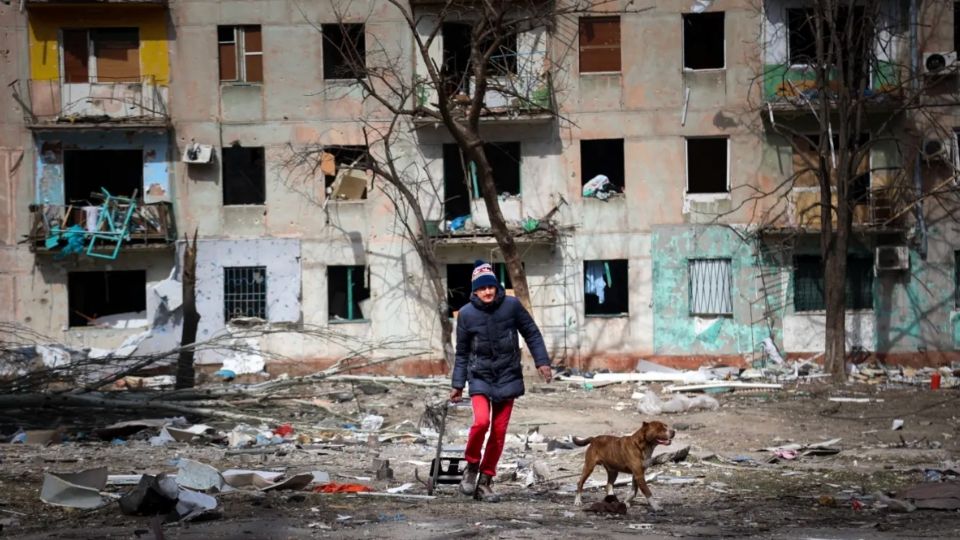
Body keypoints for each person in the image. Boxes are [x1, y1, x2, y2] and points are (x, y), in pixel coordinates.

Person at [449, 260, 552, 502]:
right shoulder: (465, 314)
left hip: (507, 375)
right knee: (481, 422)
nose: (487, 292)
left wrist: (542, 362)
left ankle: (485, 481)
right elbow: (462, 353)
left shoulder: (512, 306)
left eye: (490, 287)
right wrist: (457, 385)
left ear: (496, 287)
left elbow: (531, 333)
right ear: (474, 290)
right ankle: (472, 465)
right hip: (480, 377)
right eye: (481, 288)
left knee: (498, 432)